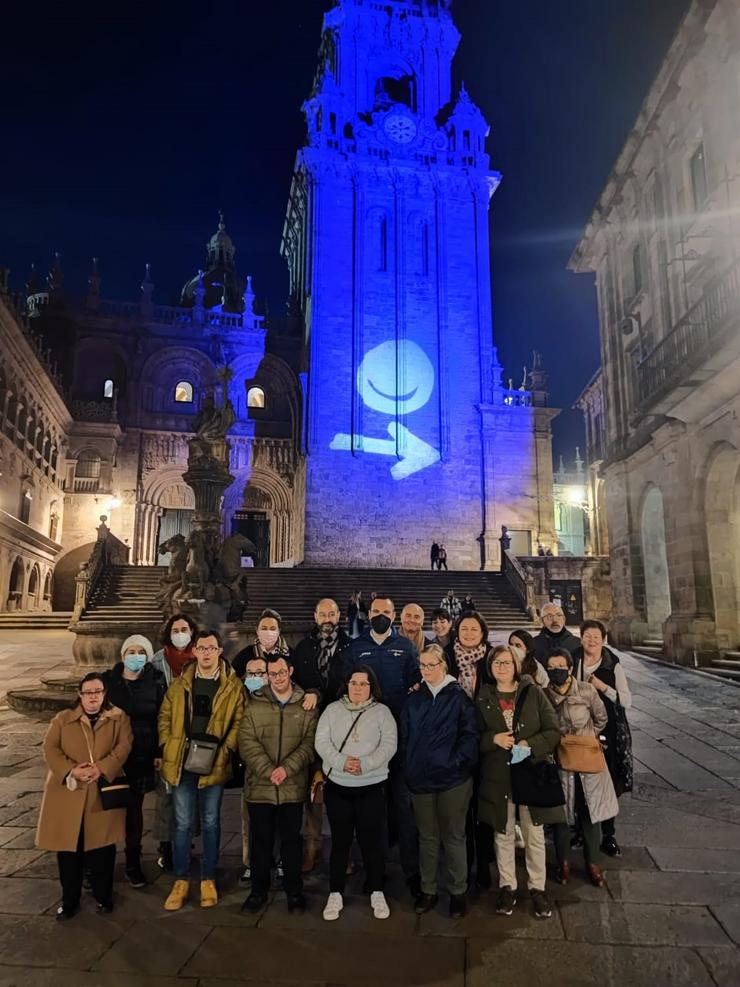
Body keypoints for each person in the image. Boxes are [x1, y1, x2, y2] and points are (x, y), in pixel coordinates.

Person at [158, 629, 246, 911]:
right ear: (195, 652)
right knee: (182, 823)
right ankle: (181, 879)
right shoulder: (180, 683)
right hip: (182, 762)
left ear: (220, 651)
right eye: (202, 648)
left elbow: (238, 721)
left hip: (213, 762)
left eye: (212, 648)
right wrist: (167, 743)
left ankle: (208, 876)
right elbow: (164, 716)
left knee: (210, 822)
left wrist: (226, 748)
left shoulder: (232, 686)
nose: (206, 653)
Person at [476, 645, 564, 919]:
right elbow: (472, 735)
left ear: (516, 666)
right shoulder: (483, 697)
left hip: (530, 773)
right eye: (496, 663)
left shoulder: (533, 692)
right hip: (498, 776)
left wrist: (530, 743)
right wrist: (493, 739)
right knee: (502, 832)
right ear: (490, 668)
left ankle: (538, 887)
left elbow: (553, 730)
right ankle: (507, 885)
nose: (502, 667)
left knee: (533, 833)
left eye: (507, 662)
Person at [36, 672, 133, 920]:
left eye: (98, 692)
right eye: (88, 692)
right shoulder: (63, 719)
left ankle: (104, 896)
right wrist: (71, 769)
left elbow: (124, 746)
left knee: (102, 849)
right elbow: (50, 748)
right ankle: (70, 900)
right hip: (69, 792)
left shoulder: (118, 717)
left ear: (104, 694)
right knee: (69, 850)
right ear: (80, 695)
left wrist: (101, 767)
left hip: (101, 792)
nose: (93, 697)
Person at [345, 594, 421, 896]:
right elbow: (347, 685)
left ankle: (412, 872)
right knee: (371, 810)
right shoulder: (357, 647)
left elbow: (416, 681)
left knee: (403, 805)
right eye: (375, 611)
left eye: (386, 612)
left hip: (399, 739)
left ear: (394, 615)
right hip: (367, 740)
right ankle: (374, 871)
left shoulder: (404, 646)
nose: (380, 615)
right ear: (368, 614)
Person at [401, 644, 478, 919]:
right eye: (422, 665)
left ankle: (458, 892)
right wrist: (409, 766)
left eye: (432, 665)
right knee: (427, 837)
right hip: (420, 779)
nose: (426, 670)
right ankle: (428, 889)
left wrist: (454, 762)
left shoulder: (458, 697)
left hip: (452, 779)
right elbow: (405, 736)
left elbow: (470, 736)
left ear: (444, 666)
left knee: (454, 836)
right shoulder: (415, 698)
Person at [315, 665, 397, 922]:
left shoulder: (382, 712)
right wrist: (341, 762)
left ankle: (376, 890)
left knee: (371, 842)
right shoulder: (332, 710)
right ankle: (336, 892)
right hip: (339, 785)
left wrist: (365, 764)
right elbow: (322, 741)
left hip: (371, 785)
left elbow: (389, 744)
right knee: (339, 842)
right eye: (354, 683)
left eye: (363, 684)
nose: (358, 688)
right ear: (346, 685)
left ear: (372, 686)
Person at [240, 653, 319, 914]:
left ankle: (294, 892)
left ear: (291, 670)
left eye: (282, 672)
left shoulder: (305, 705)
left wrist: (287, 769)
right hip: (260, 786)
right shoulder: (254, 703)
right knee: (260, 841)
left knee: (291, 841)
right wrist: (268, 770)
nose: (278, 678)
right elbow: (247, 742)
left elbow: (310, 743)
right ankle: (258, 891)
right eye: (272, 674)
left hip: (291, 787)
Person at [545, 648, 618, 888]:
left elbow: (601, 718)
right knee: (562, 815)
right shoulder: (544, 695)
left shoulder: (586, 690)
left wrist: (587, 739)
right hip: (561, 762)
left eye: (560, 666)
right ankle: (564, 862)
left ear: (568, 667)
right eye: (551, 667)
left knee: (590, 812)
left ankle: (593, 862)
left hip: (587, 759)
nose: (556, 670)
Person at [292, 597, 352, 873]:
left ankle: (344, 851)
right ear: (315, 617)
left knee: (342, 790)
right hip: (311, 725)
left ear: (338, 616)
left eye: (332, 613)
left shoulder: (351, 645)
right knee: (312, 790)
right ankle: (312, 846)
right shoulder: (304, 647)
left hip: (342, 725)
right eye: (322, 614)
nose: (327, 619)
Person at [103, 634, 166, 888]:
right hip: (112, 754)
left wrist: (159, 752)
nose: (136, 656)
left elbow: (163, 718)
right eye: (131, 651)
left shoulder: (157, 682)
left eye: (141, 652)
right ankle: (99, 862)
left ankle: (132, 861)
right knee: (105, 809)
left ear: (149, 656)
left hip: (142, 753)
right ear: (123, 655)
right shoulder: (108, 681)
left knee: (133, 810)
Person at [573, 620, 633, 857]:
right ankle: (581, 830)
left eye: (596, 636)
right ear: (581, 638)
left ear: (603, 639)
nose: (591, 640)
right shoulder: (574, 660)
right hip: (579, 729)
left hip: (608, 730)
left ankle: (608, 834)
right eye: (587, 636)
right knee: (579, 780)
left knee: (608, 781)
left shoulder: (613, 664)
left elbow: (626, 700)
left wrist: (602, 686)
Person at [444, 610, 494, 888]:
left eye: (475, 629)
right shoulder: (447, 658)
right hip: (456, 740)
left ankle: (485, 865)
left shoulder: (492, 660)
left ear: (483, 633)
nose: (469, 633)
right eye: (465, 629)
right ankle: (462, 864)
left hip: (487, 742)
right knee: (459, 808)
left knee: (484, 807)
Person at [151, 613, 199, 872]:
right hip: (167, 738)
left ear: (192, 631)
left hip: (194, 740)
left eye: (185, 629)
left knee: (190, 795)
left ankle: (186, 844)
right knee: (166, 797)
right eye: (176, 629)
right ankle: (166, 847)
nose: (180, 633)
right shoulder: (158, 661)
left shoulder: (201, 659)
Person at [238, 652, 269, 886]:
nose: (256, 677)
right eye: (251, 673)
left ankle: (276, 861)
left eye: (260, 673)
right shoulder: (238, 699)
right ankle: (250, 863)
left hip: (277, 767)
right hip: (250, 768)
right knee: (248, 819)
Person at [231, 608, 292, 678]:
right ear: (257, 631)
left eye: (272, 629)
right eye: (264, 628)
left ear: (279, 631)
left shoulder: (290, 654)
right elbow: (233, 679)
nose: (268, 632)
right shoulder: (246, 654)